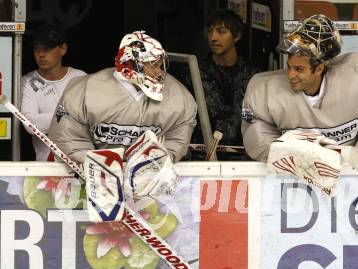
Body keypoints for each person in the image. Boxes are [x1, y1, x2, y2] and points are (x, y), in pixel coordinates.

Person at [241, 14, 358, 162]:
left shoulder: (357, 74)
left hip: (350, 170)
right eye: (289, 67)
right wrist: (288, 157)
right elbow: (255, 132)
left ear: (319, 69)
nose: (291, 75)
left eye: (299, 69)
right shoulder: (264, 89)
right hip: (294, 179)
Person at [48, 31, 196, 164]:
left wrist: (155, 163)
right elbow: (69, 139)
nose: (159, 72)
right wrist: (97, 165)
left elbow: (176, 140)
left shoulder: (179, 97)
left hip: (148, 180)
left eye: (160, 65)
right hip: (94, 178)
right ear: (129, 63)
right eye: (151, 65)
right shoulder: (84, 91)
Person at [185, 9, 259, 160]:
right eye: (210, 31)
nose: (213, 37)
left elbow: (257, 117)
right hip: (202, 157)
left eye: (221, 31)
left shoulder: (254, 75)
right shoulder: (194, 72)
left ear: (237, 36)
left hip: (245, 158)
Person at [21, 25, 86, 161]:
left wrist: (50, 120)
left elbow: (92, 120)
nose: (41, 54)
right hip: (46, 168)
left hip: (80, 164)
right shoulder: (27, 82)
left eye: (47, 48)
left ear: (63, 49)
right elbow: (31, 125)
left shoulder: (80, 78)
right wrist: (72, 115)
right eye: (37, 49)